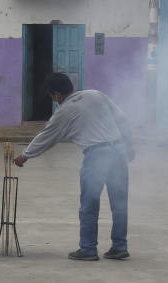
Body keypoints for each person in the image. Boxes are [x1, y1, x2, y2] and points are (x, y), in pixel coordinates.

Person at [14, 72, 134, 261]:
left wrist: (24, 156)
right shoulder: (95, 94)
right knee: (119, 204)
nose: (54, 100)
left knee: (89, 204)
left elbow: (46, 137)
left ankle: (88, 249)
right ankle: (119, 246)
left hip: (97, 155)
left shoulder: (64, 111)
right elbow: (121, 118)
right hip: (118, 150)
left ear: (57, 95)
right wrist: (129, 145)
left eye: (52, 96)